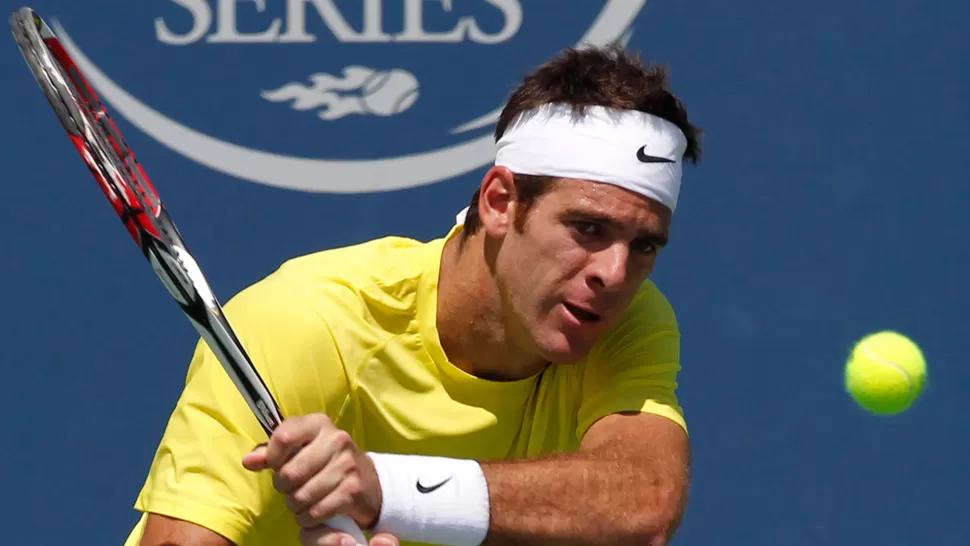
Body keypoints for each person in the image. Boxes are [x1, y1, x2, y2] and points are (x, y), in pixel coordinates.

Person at [122, 44, 702, 546]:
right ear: (500, 202)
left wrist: (385, 488)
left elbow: (643, 502)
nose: (616, 272)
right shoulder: (307, 321)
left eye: (645, 245)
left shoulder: (627, 318)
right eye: (588, 228)